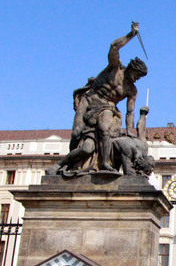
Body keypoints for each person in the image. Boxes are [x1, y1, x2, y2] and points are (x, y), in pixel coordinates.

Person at [58, 22, 148, 173]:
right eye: (137, 75)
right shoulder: (115, 68)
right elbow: (114, 46)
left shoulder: (132, 90)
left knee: (104, 129)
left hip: (107, 107)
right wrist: (131, 35)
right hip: (90, 99)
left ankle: (105, 163)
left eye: (140, 77)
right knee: (76, 133)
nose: (137, 79)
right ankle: (65, 165)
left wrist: (129, 130)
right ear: (132, 68)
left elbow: (130, 112)